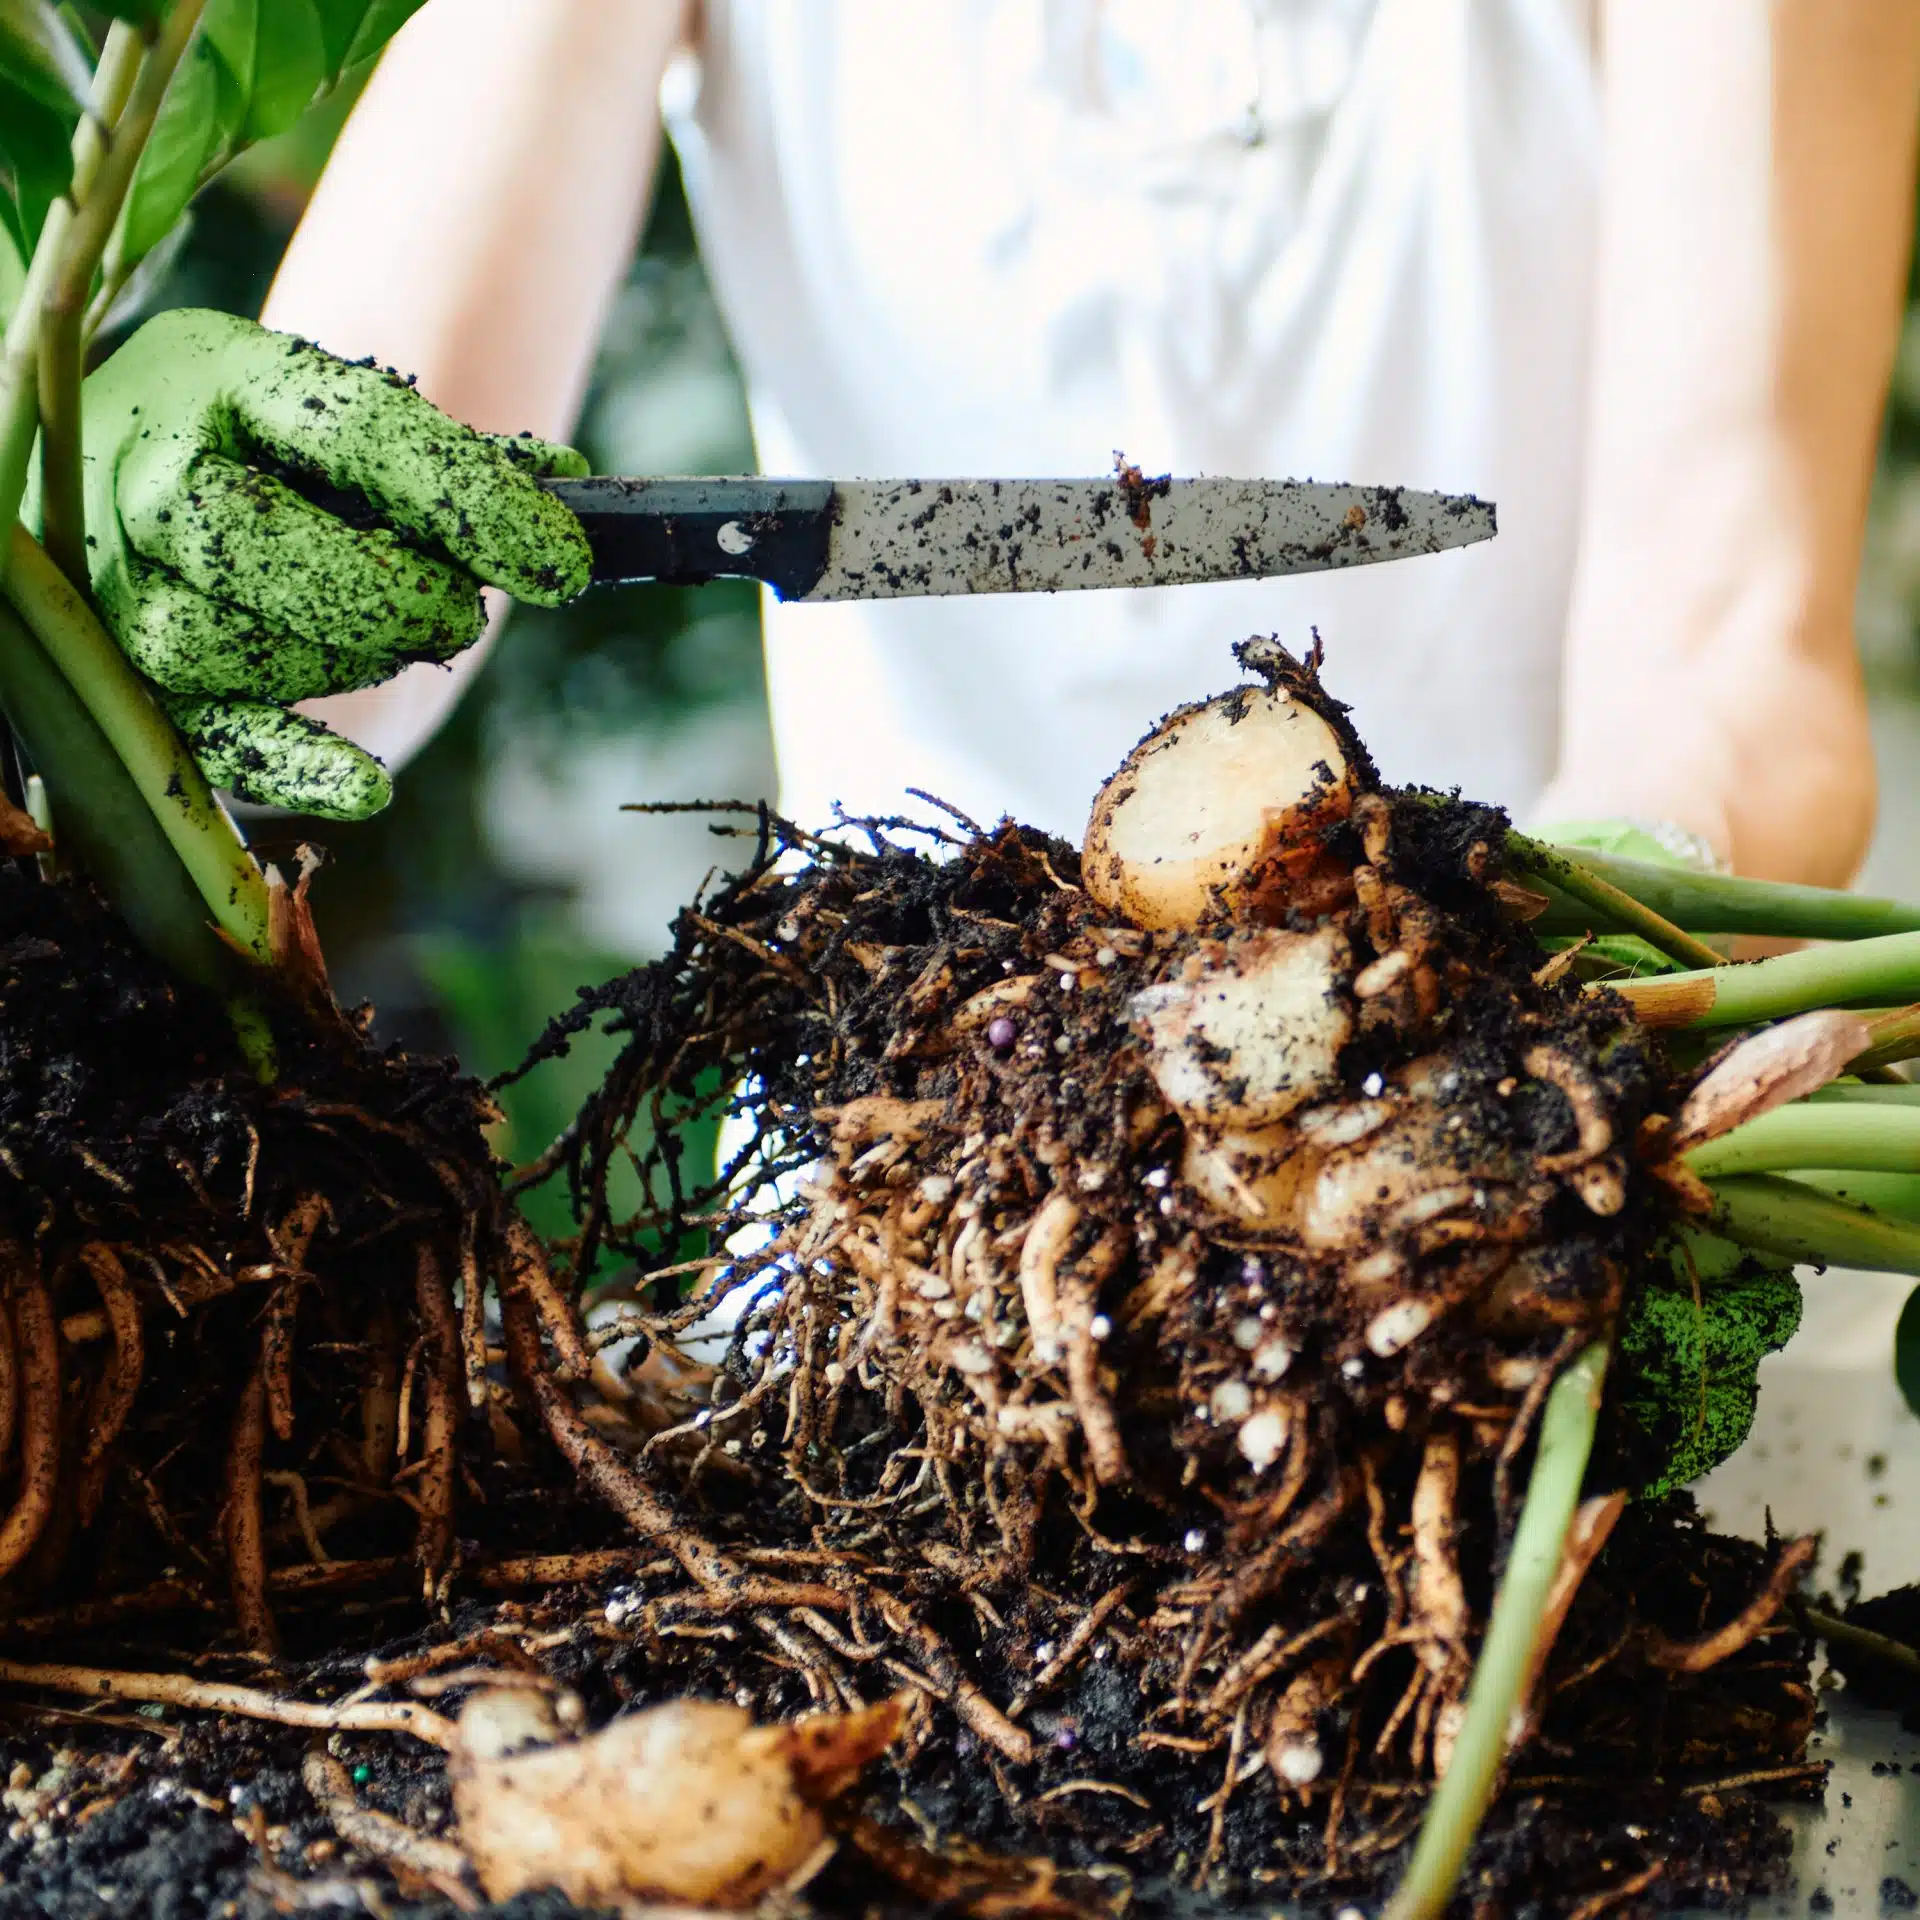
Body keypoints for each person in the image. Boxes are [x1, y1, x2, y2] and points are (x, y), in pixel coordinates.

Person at [238, 0, 1920, 893]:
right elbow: (333, 597)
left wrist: (1553, 955)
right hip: (898, 1207)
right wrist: (202, 549)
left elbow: (1728, 657)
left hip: (1539, 1170)